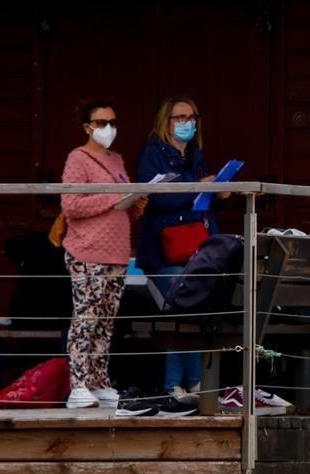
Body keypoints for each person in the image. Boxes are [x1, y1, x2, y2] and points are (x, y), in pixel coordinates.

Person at [124, 96, 225, 416]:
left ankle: (193, 383)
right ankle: (174, 385)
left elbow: (198, 201)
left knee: (192, 312)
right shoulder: (152, 153)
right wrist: (201, 185)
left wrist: (218, 192)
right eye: (179, 117)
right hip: (164, 249)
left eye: (192, 116)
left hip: (195, 247)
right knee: (180, 312)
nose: (186, 122)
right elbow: (157, 199)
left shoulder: (195, 154)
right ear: (165, 122)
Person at [60, 100, 147, 409]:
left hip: (117, 252)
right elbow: (71, 205)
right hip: (87, 250)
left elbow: (119, 210)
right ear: (87, 127)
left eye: (112, 121)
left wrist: (136, 202)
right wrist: (114, 197)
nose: (108, 128)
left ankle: (98, 381)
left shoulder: (118, 160)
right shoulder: (78, 158)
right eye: (101, 122)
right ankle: (78, 384)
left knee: (106, 321)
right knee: (86, 318)